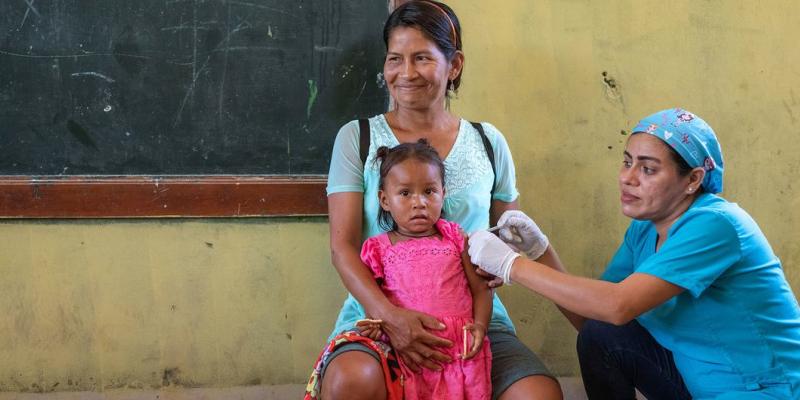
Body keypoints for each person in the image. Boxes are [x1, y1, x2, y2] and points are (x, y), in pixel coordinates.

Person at [309, 1, 564, 399]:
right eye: (396, 58)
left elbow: (508, 236)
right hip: (377, 314)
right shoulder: (357, 138)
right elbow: (343, 248)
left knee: (538, 394)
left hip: (474, 321)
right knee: (351, 380)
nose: (406, 73)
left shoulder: (487, 142)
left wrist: (502, 261)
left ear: (454, 65)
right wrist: (390, 316)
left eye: (422, 58)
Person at [468, 108, 800, 399]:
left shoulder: (716, 224)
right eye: (627, 162)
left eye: (648, 169)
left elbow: (617, 305)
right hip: (696, 384)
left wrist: (512, 264)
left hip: (762, 387)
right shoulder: (645, 228)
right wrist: (541, 252)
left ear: (693, 180)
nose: (628, 178)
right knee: (601, 337)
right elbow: (594, 320)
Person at [362, 140, 493, 399]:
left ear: (443, 193)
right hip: (407, 350)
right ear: (384, 200)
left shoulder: (456, 238)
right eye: (405, 193)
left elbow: (480, 289)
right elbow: (374, 304)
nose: (419, 202)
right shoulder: (377, 249)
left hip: (460, 350)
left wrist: (480, 325)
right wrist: (377, 326)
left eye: (429, 191)